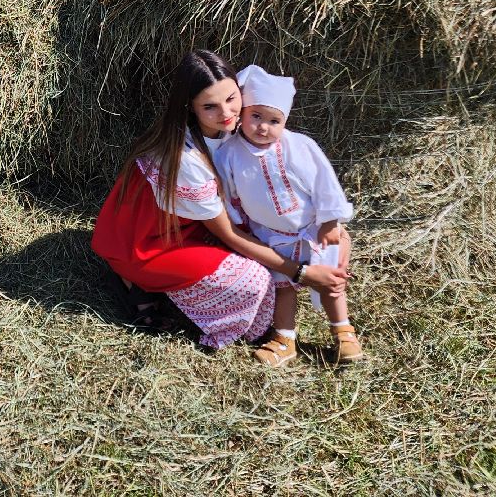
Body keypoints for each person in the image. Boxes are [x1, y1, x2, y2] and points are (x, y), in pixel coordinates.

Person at [91, 50, 347, 350]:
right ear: (191, 109)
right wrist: (301, 271)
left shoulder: (245, 124)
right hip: (154, 240)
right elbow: (229, 233)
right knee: (256, 282)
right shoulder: (186, 158)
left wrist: (325, 225)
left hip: (201, 223)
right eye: (210, 106)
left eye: (231, 98)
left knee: (312, 242)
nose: (226, 113)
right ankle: (134, 280)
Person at [213, 64, 361, 367]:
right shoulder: (230, 153)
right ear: (243, 113)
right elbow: (227, 192)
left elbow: (325, 183)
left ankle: (343, 332)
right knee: (284, 288)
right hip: (271, 235)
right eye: (256, 116)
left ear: (285, 121)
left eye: (274, 120)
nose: (263, 127)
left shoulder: (298, 146)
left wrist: (331, 221)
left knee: (330, 283)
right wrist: (240, 224)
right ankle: (285, 339)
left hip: (314, 229)